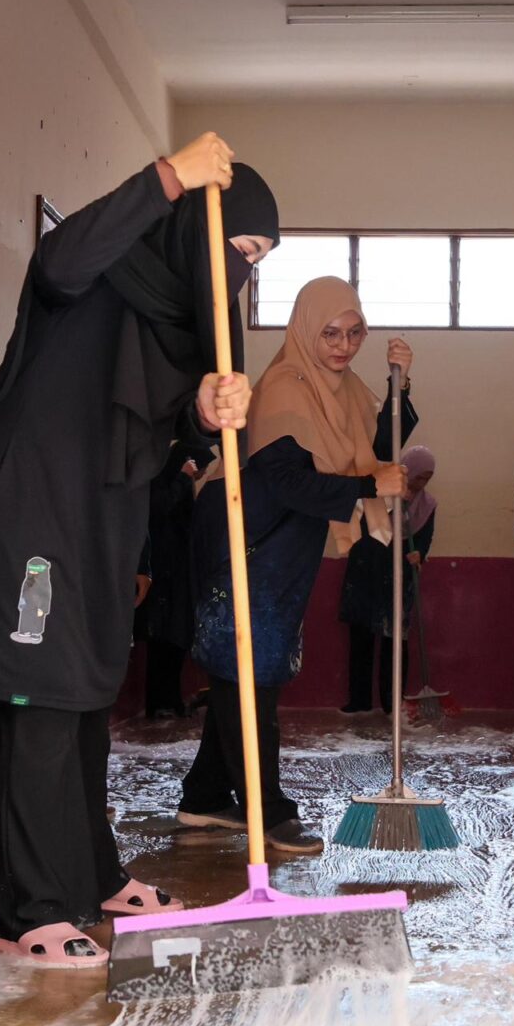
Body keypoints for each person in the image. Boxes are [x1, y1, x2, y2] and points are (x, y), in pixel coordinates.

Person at [0, 132, 278, 967]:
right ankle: (30, 912)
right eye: (239, 246)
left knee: (87, 693)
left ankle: (90, 873)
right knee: (40, 695)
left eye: (259, 258)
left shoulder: (180, 323)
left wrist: (204, 410)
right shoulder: (101, 264)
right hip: (29, 502)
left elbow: (159, 437)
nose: (243, 268)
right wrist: (167, 179)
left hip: (98, 515)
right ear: (194, 224)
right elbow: (57, 262)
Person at [176, 277, 414, 853]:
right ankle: (269, 813)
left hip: (282, 550)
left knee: (245, 673)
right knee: (246, 677)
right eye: (330, 333)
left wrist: (398, 384)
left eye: (354, 332)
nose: (343, 345)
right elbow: (286, 481)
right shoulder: (284, 385)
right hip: (245, 544)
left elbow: (379, 439)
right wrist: (366, 484)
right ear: (306, 328)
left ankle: (205, 797)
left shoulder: (346, 388)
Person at [339, 444, 437, 715]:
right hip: (367, 572)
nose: (421, 483)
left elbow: (425, 539)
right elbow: (362, 525)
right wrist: (395, 503)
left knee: (395, 640)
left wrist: (420, 553)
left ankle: (391, 703)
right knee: (362, 637)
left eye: (427, 479)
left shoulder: (426, 506)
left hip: (399, 577)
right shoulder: (379, 495)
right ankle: (358, 701)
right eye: (419, 476)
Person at [139, 432, 211, 719]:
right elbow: (158, 509)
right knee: (162, 639)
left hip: (177, 572)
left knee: (178, 636)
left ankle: (170, 698)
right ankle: (158, 701)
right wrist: (183, 478)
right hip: (163, 570)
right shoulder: (164, 480)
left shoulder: (179, 483)